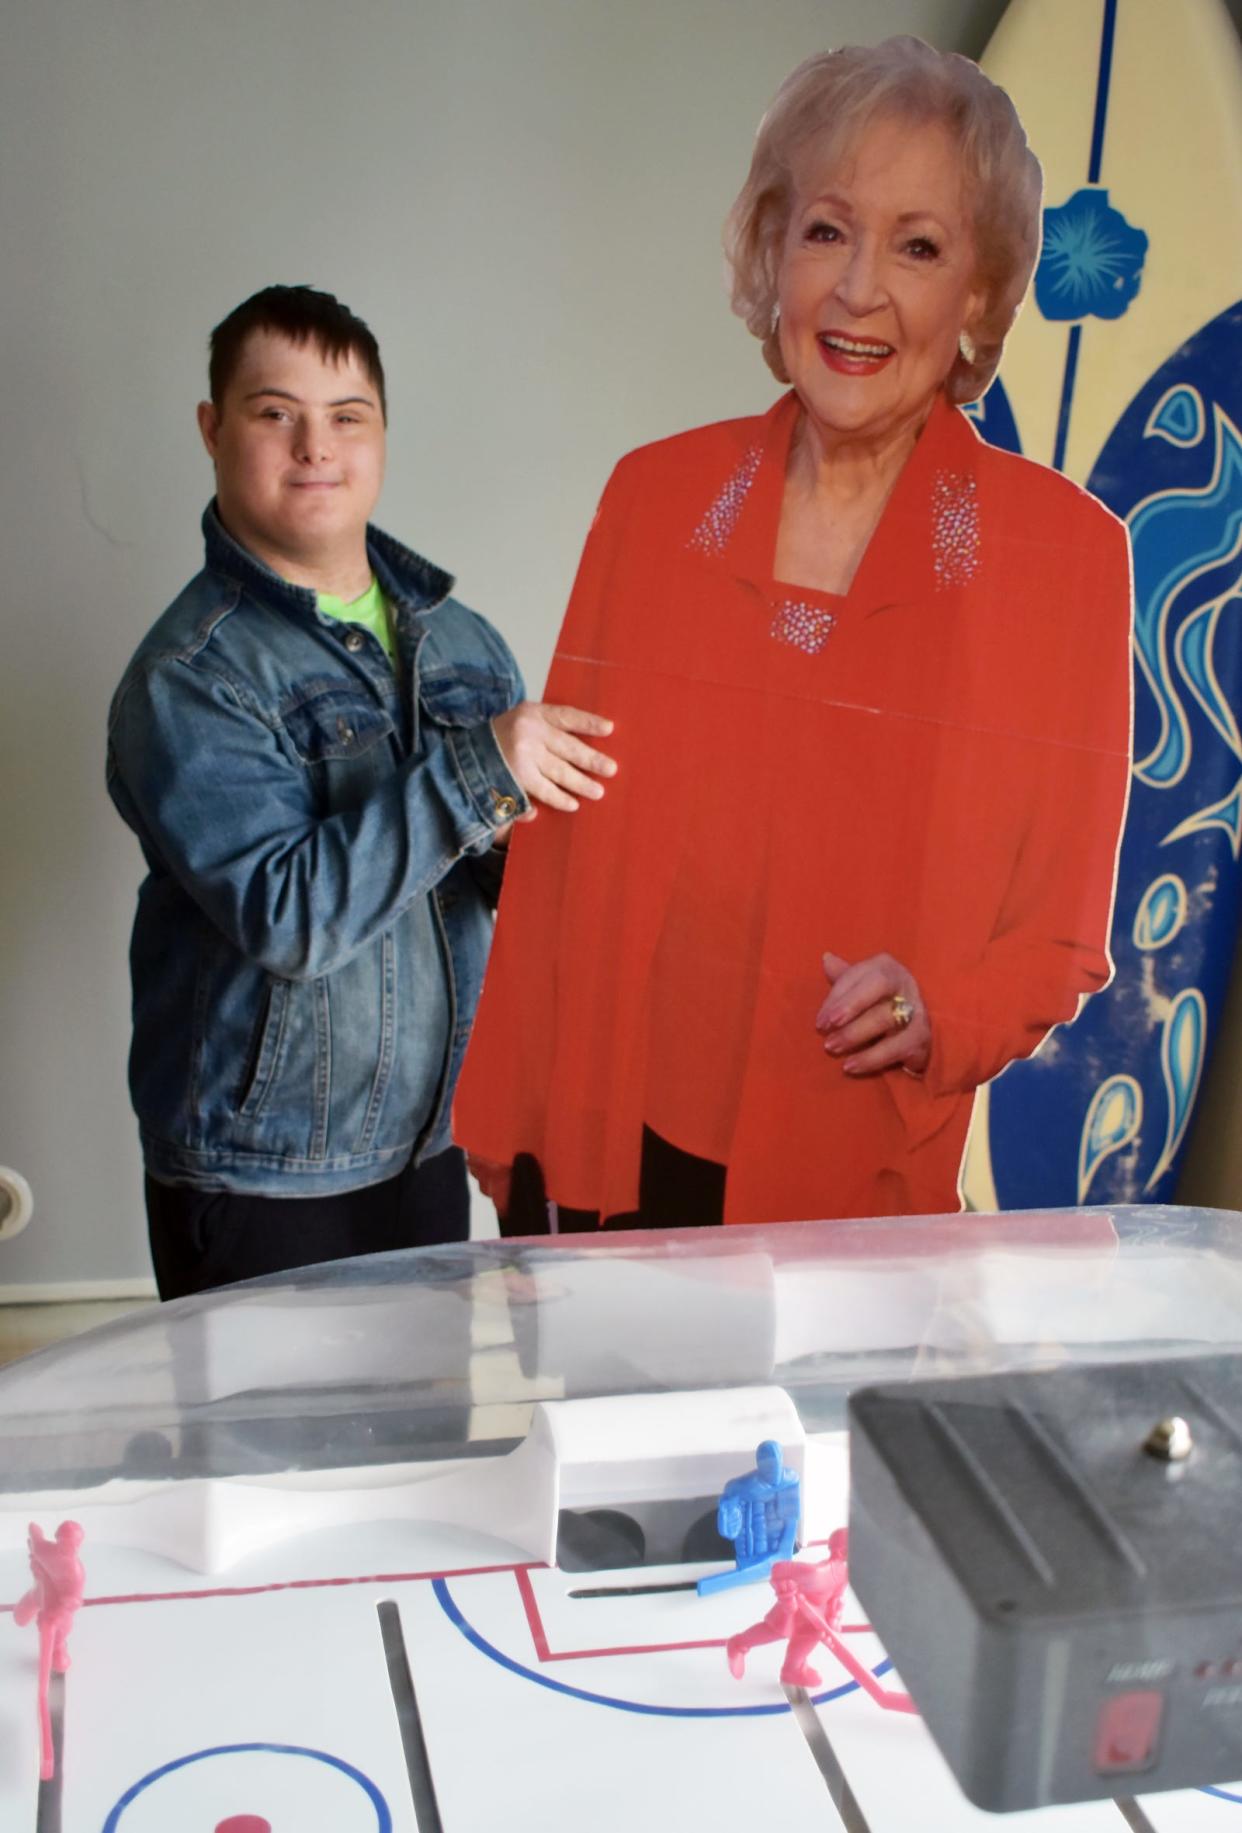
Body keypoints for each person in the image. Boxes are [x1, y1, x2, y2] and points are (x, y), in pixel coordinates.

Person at [456, 38, 1133, 1232]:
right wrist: (516, 1134)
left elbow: (1064, 935)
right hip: (621, 1158)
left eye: (919, 247)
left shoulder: (1062, 560)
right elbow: (563, 859)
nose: (859, 290)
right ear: (773, 253)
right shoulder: (653, 500)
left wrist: (943, 1013)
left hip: (856, 1177)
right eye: (827, 231)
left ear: (978, 294)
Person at [108, 286, 615, 1298]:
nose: (315, 446)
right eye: (273, 412)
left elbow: (501, 880)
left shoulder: (463, 642)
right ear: (213, 430)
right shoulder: (190, 678)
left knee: (431, 1452)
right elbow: (290, 918)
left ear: (382, 434)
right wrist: (483, 772)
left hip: (429, 1151)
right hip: (265, 1180)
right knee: (276, 1461)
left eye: (347, 416)